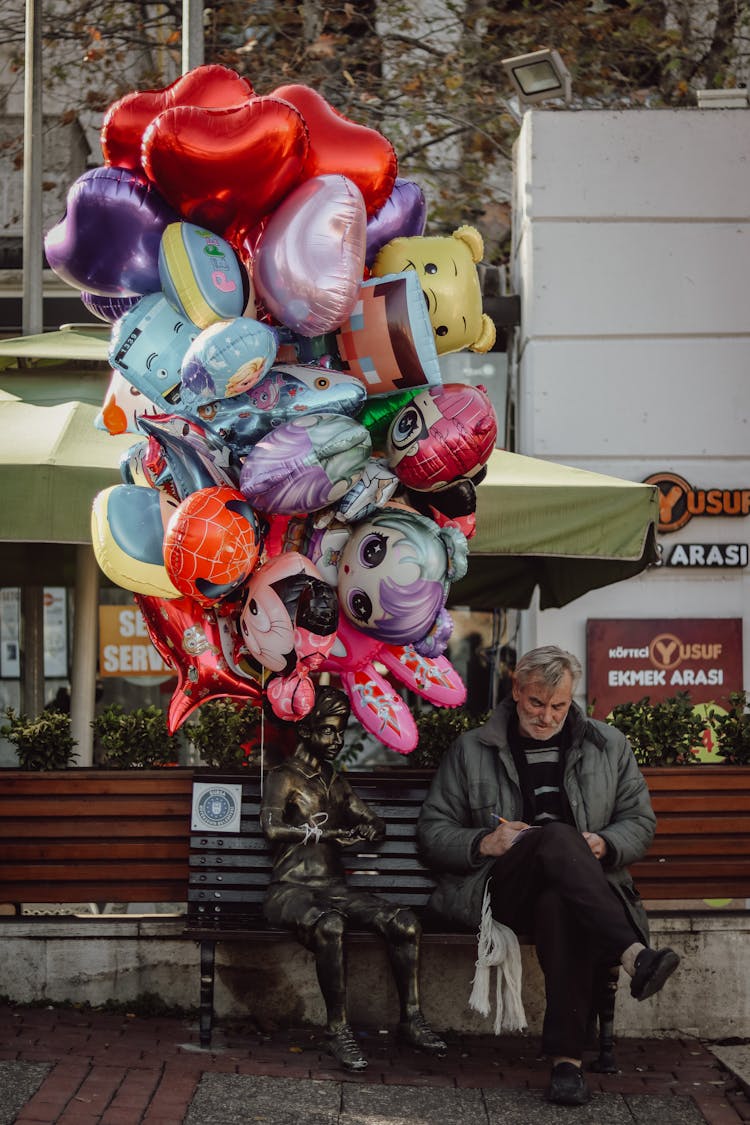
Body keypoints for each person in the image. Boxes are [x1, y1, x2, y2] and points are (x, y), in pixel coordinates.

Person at [417, 644, 680, 1107]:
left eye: (559, 705)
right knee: (557, 835)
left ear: (572, 697)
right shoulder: (473, 749)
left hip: (577, 891)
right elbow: (433, 833)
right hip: (502, 889)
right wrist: (485, 842)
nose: (547, 716)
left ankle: (566, 1066)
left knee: (561, 904)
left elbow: (639, 822)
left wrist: (605, 843)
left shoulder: (608, 744)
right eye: (537, 703)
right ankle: (634, 953)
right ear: (516, 690)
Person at [260, 684, 447, 1071]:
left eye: (341, 729)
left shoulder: (335, 782)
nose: (337, 739)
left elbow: (373, 820)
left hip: (333, 889)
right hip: (289, 891)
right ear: (306, 730)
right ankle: (337, 1029)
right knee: (330, 926)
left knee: (406, 924)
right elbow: (272, 829)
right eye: (328, 730)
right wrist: (326, 834)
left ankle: (411, 1020)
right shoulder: (283, 777)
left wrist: (370, 829)